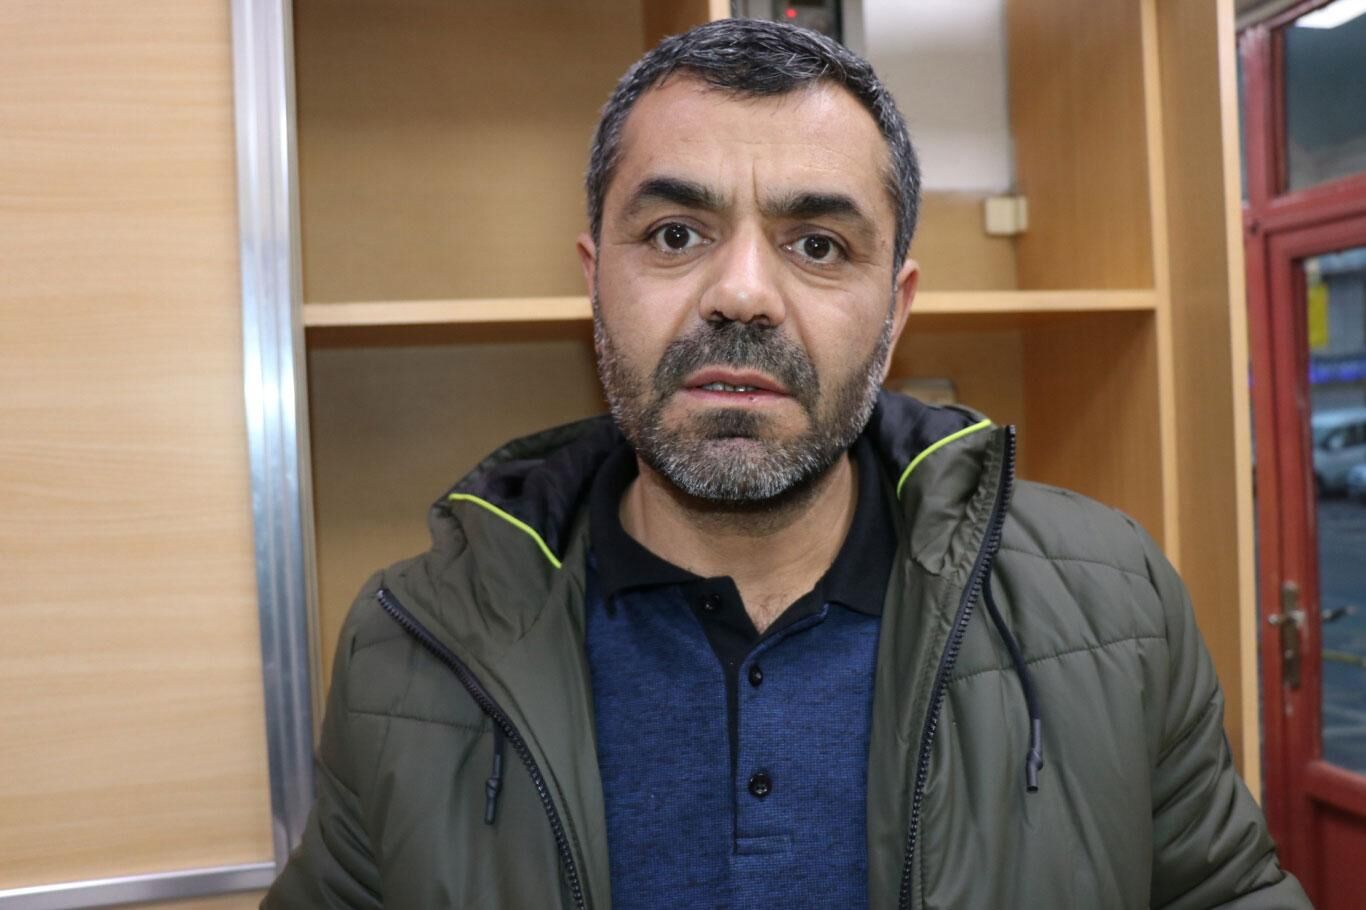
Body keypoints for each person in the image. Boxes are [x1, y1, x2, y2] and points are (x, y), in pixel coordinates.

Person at [263, 18, 1310, 910]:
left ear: (895, 309)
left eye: (816, 245)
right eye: (675, 234)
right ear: (595, 283)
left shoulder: (1114, 604)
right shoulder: (410, 647)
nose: (742, 295)